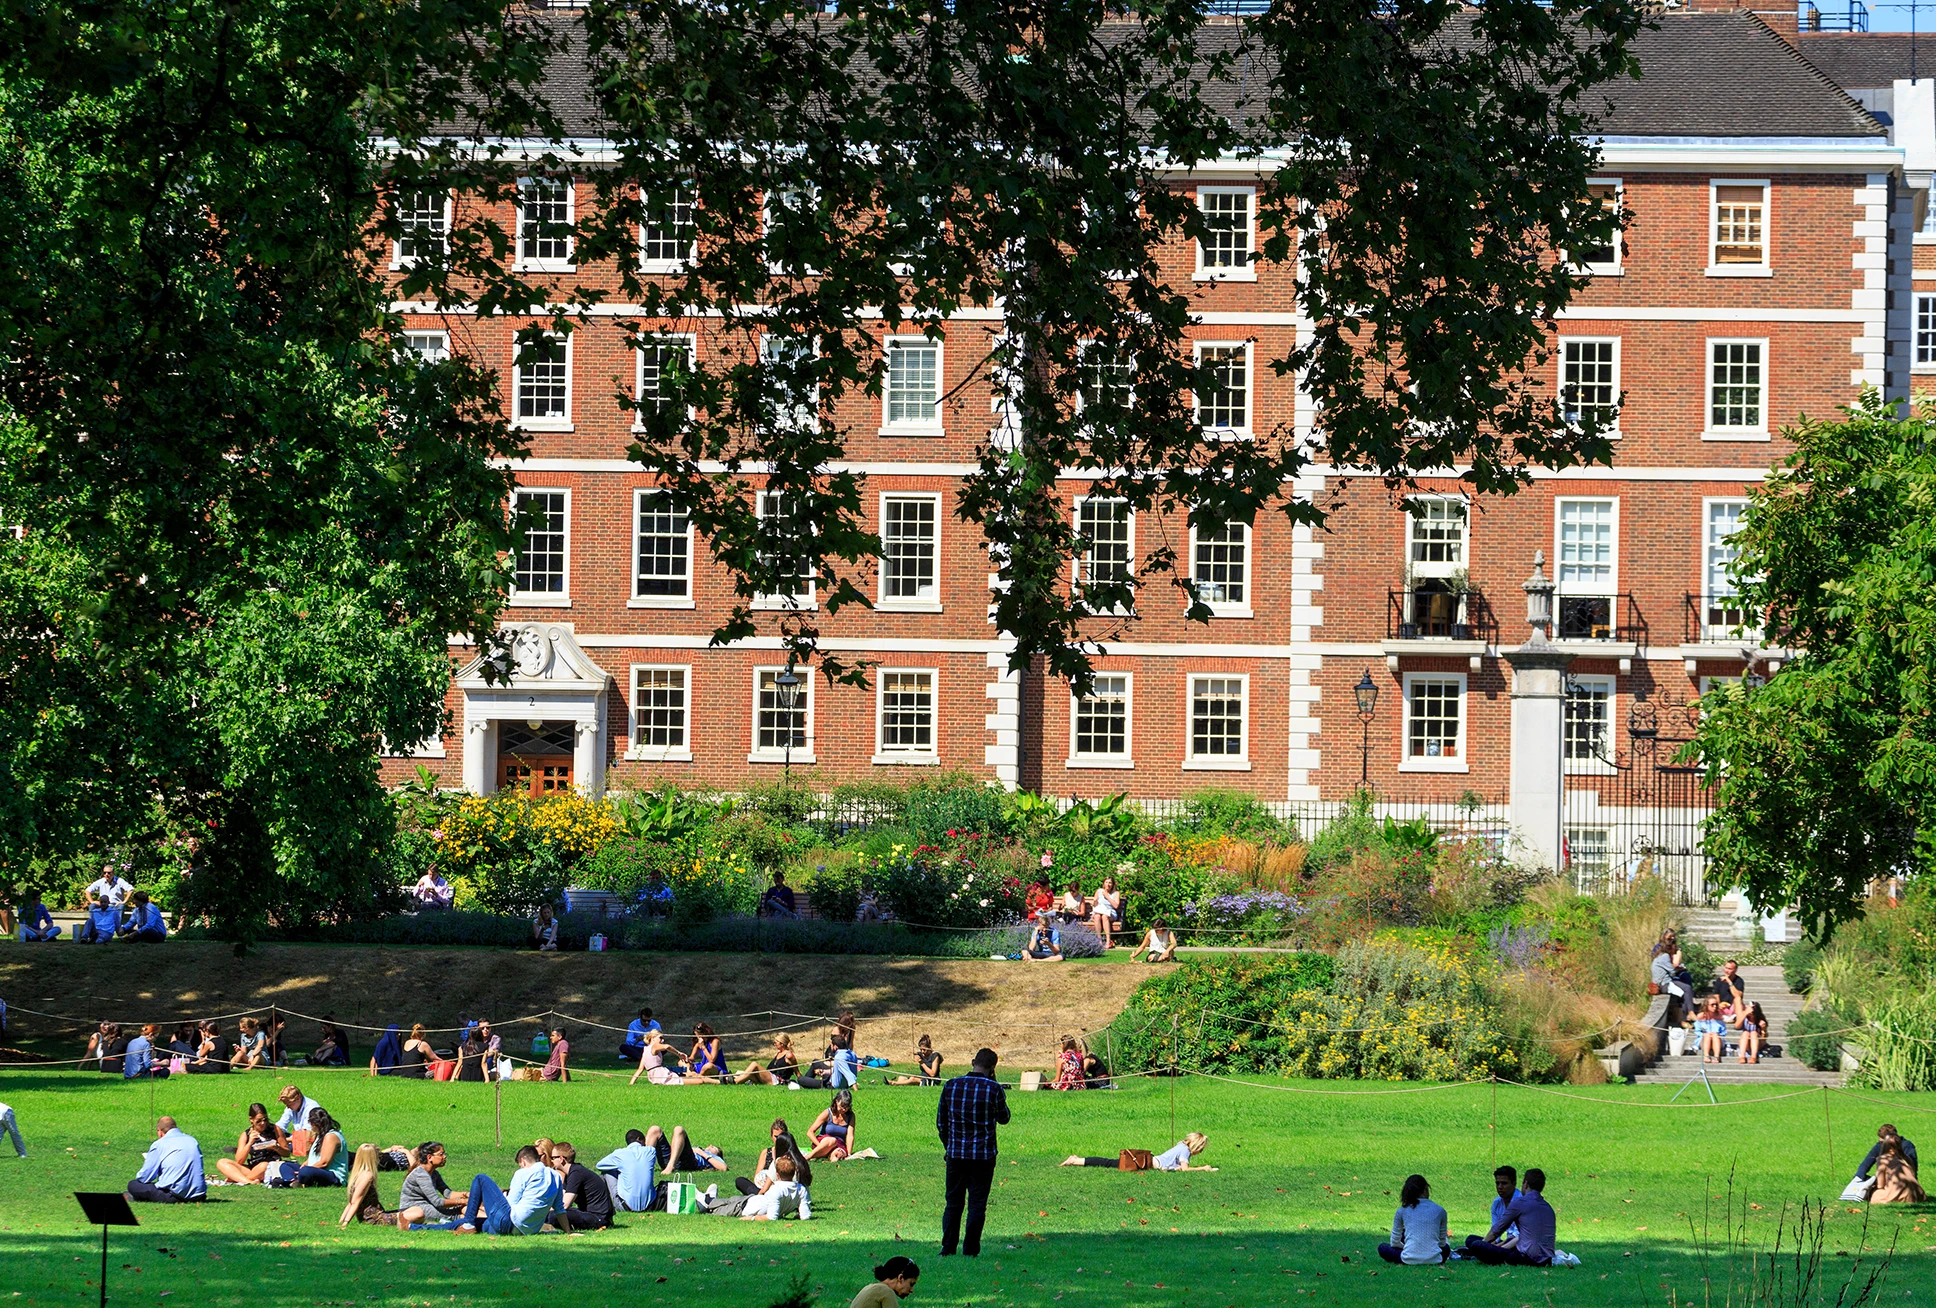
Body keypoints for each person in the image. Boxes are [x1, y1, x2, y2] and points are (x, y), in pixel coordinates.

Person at [937, 1048, 1009, 1257]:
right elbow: (1004, 1118)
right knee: (977, 1205)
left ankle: (948, 1248)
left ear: (972, 1062)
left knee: (953, 1203)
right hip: (983, 1156)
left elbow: (941, 1123)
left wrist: (949, 1146)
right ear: (992, 1068)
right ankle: (970, 1250)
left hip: (956, 1154)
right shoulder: (994, 1089)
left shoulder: (951, 1085)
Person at [421, 1145, 562, 1235]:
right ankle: (418, 1228)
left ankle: (468, 1224)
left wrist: (489, 1202)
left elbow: (510, 1204)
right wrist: (567, 1231)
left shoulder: (523, 1173)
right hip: (523, 1231)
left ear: (523, 1161)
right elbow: (559, 1209)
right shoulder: (555, 1176)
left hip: (510, 1222)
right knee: (478, 1223)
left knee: (480, 1179)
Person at [1465, 1167, 1555, 1266]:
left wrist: (1483, 1246)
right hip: (1546, 1260)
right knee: (1472, 1240)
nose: (1500, 1187)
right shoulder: (1548, 1208)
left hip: (1526, 1257)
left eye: (1504, 1183)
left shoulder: (1520, 1202)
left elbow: (1497, 1230)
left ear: (1525, 1184)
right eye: (1497, 1183)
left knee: (1477, 1245)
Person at [703, 1151, 812, 1220]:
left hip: (747, 1208)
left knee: (721, 1209)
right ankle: (709, 1199)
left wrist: (751, 1218)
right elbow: (806, 1215)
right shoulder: (801, 1189)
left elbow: (771, 1217)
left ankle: (705, 1201)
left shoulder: (776, 1190)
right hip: (751, 1200)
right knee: (730, 1200)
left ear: (777, 1175)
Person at [128, 1116, 206, 1203]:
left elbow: (145, 1177)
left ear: (160, 1132)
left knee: (133, 1185)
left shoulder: (159, 1144)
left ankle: (138, 1197)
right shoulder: (192, 1140)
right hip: (199, 1195)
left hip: (174, 1196)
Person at [1378, 1174, 1451, 1265]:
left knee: (1382, 1247)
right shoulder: (1440, 1210)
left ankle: (1412, 1252)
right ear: (1426, 1189)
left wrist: (1407, 1248)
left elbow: (1394, 1242)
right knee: (1446, 1248)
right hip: (1435, 1259)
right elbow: (1442, 1243)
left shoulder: (1402, 1211)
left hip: (1408, 1258)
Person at [216, 1103, 291, 1185]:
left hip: (270, 1167)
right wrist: (250, 1143)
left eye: (265, 1120)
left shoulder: (275, 1129)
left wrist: (276, 1147)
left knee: (264, 1165)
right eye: (259, 1121)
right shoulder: (246, 1135)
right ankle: (249, 1181)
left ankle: (237, 1178)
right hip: (253, 1168)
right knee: (222, 1162)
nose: (263, 1123)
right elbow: (239, 1160)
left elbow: (287, 1153)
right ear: (251, 1119)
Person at [1060, 1132, 1215, 1171]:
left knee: (1110, 1162)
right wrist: (1204, 1168)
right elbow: (1186, 1170)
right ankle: (1075, 1161)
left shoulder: (1181, 1146)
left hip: (1150, 1160)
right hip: (1148, 1163)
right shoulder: (1185, 1151)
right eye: (1200, 1149)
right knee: (1110, 1163)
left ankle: (1078, 1159)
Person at [397, 1141, 469, 1225]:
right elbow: (437, 1202)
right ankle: (472, 1223)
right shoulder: (421, 1175)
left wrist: (467, 1194)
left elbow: (448, 1194)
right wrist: (462, 1201)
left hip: (428, 1205)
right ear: (429, 1157)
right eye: (441, 1154)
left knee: (461, 1208)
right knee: (453, 1214)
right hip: (413, 1208)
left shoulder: (434, 1173)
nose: (444, 1156)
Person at [273, 1107, 348, 1187]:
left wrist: (304, 1170)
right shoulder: (320, 1135)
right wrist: (305, 1164)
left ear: (314, 1124)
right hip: (314, 1168)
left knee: (305, 1171)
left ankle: (295, 1181)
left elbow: (324, 1163)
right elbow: (315, 1157)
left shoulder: (331, 1136)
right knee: (285, 1166)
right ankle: (293, 1181)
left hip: (332, 1174)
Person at [550, 1141, 616, 1229]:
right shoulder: (571, 1173)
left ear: (561, 1159)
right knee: (552, 1214)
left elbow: (565, 1205)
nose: (551, 1161)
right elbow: (560, 1198)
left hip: (599, 1218)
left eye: (553, 1158)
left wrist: (544, 1210)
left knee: (553, 1216)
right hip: (587, 1214)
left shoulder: (577, 1173)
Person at [596, 1128, 660, 1212]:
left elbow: (599, 1165)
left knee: (607, 1170)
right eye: (644, 1142)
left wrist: (618, 1167)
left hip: (624, 1206)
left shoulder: (620, 1154)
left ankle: (602, 1204)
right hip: (650, 1205)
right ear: (639, 1139)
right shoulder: (651, 1151)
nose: (645, 1144)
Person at [632, 1029, 709, 1086]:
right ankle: (715, 1081)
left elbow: (640, 1069)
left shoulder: (645, 1050)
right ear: (653, 1037)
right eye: (660, 1038)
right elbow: (667, 1046)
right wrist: (679, 1054)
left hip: (660, 1072)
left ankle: (715, 1081)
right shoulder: (654, 1046)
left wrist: (631, 1083)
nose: (662, 1040)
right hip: (662, 1075)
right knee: (699, 1081)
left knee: (686, 1071)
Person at [1869, 1137, 1926, 1205]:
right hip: (1916, 1194)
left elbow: (1880, 1185)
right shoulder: (1906, 1158)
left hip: (1897, 1193)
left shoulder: (1883, 1159)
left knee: (1875, 1194)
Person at [850, 1257, 920, 1308]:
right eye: (911, 1284)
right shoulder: (887, 1292)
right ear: (900, 1278)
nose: (912, 1290)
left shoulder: (869, 1288)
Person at [808, 1090, 857, 1162]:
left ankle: (830, 1159)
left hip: (839, 1144)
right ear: (836, 1102)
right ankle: (808, 1157)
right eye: (842, 1106)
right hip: (824, 1142)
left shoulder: (850, 1116)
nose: (844, 1109)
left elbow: (850, 1136)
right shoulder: (828, 1113)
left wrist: (849, 1154)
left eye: (846, 1107)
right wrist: (820, 1146)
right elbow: (810, 1132)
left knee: (839, 1153)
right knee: (832, 1140)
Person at [735, 1033, 801, 1086]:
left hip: (777, 1081)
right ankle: (732, 1080)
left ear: (782, 1044)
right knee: (749, 1074)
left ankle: (735, 1081)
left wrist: (802, 1082)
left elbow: (797, 1072)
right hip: (770, 1077)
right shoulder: (779, 1053)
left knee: (754, 1064)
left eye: (775, 1043)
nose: (774, 1044)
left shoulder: (789, 1055)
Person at [1089, 875, 1123, 948]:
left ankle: (1108, 941)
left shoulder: (1116, 893)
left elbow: (1116, 906)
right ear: (1104, 883)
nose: (1108, 884)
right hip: (1099, 911)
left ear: (1113, 884)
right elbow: (1095, 905)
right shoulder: (1099, 891)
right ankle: (1099, 940)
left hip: (1110, 912)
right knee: (1097, 916)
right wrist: (1094, 901)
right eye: (1106, 882)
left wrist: (1107, 896)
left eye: (1110, 883)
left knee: (1104, 916)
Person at [1694, 995, 1728, 1064]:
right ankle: (1706, 1055)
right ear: (1707, 1005)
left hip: (1717, 1039)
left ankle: (1716, 1056)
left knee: (1715, 1035)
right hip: (1704, 1039)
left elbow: (1723, 1032)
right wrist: (1706, 1034)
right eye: (1712, 1005)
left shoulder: (1719, 1017)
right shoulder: (1701, 1016)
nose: (1715, 1006)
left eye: (1716, 1004)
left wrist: (1716, 1034)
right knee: (1707, 1035)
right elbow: (1697, 1031)